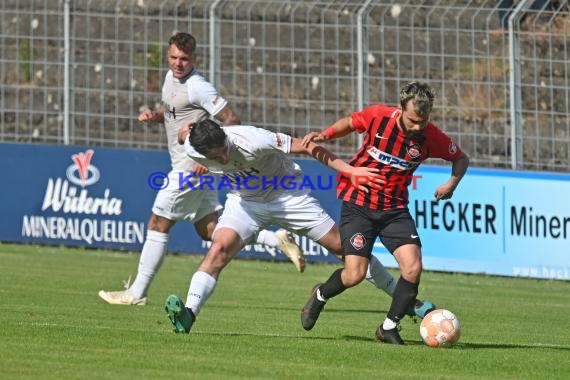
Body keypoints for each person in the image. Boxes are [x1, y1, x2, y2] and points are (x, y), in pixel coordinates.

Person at [163, 120, 434, 333]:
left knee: (346, 249)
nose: (223, 157)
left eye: (224, 149)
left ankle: (406, 302)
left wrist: (350, 170)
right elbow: (182, 135)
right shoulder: (193, 147)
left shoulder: (254, 139)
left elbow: (308, 147)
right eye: (215, 155)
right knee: (218, 249)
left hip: (288, 196)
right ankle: (189, 314)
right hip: (245, 202)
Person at [98, 32, 305, 306]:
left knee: (158, 223)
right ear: (167, 56)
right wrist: (156, 116)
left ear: (194, 58)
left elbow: (231, 119)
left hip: (190, 168)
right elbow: (175, 112)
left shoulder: (198, 86)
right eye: (173, 57)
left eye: (184, 59)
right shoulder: (171, 79)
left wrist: (210, 157)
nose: (178, 63)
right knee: (209, 229)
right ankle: (275, 238)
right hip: (189, 166)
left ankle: (137, 292)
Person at [299, 81, 470, 344]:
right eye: (412, 120)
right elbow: (351, 122)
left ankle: (388, 327)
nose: (417, 127)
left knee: (413, 268)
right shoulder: (379, 117)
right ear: (401, 108)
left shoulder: (431, 136)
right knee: (355, 274)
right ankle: (320, 295)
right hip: (359, 205)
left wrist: (451, 184)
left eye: (422, 122)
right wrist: (326, 134)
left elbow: (461, 158)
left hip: (394, 209)